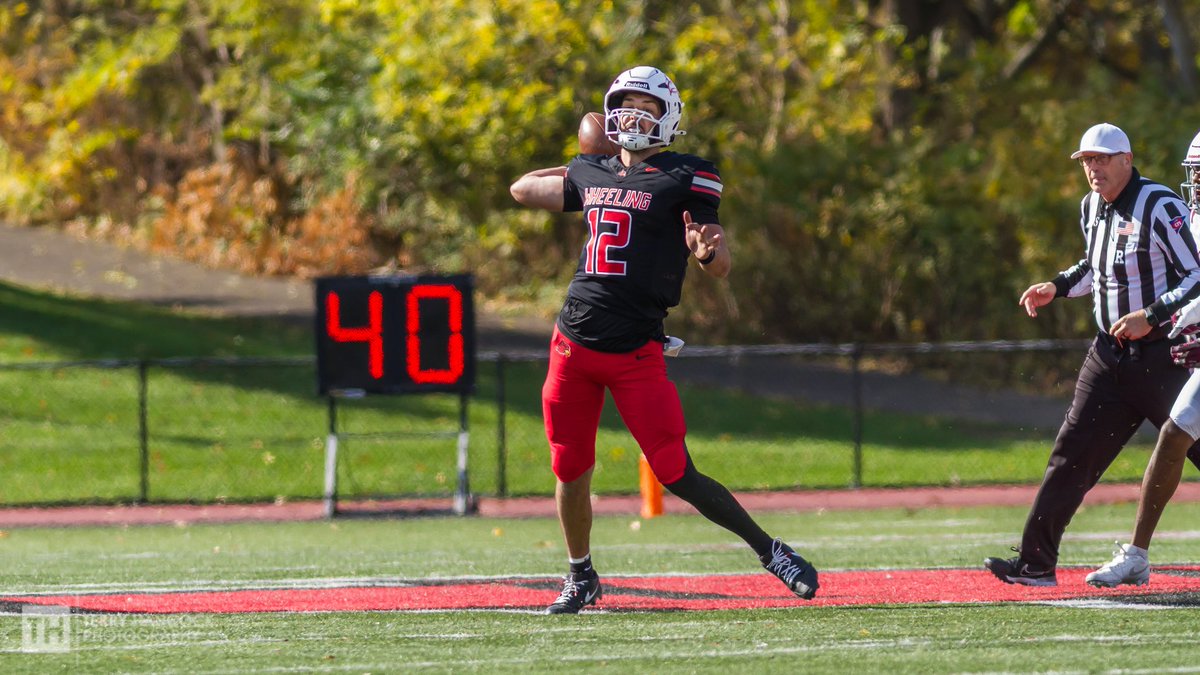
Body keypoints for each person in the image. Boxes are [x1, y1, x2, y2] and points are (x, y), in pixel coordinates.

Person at [509, 66, 818, 613]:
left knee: (676, 470)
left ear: (668, 117)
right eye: (623, 104)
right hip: (572, 346)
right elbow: (521, 188)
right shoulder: (592, 171)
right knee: (570, 465)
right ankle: (580, 575)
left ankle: (770, 550)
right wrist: (584, 163)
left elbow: (720, 263)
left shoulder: (687, 175)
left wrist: (704, 252)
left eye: (645, 106)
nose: (631, 113)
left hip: (634, 353)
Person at [985, 122, 1200, 586]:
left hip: (1164, 356)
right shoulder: (1091, 208)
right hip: (1109, 355)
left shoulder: (1160, 204)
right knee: (1071, 453)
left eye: (1101, 159)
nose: (1093, 169)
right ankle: (1035, 563)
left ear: (1127, 159)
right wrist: (1056, 287)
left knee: (1193, 445)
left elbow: (1196, 273)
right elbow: (1095, 266)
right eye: (1086, 161)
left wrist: (1152, 313)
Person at [1085, 129, 1200, 587]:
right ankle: (1136, 555)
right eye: (1196, 171)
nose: (1196, 180)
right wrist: (1176, 321)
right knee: (1174, 435)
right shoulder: (1190, 219)